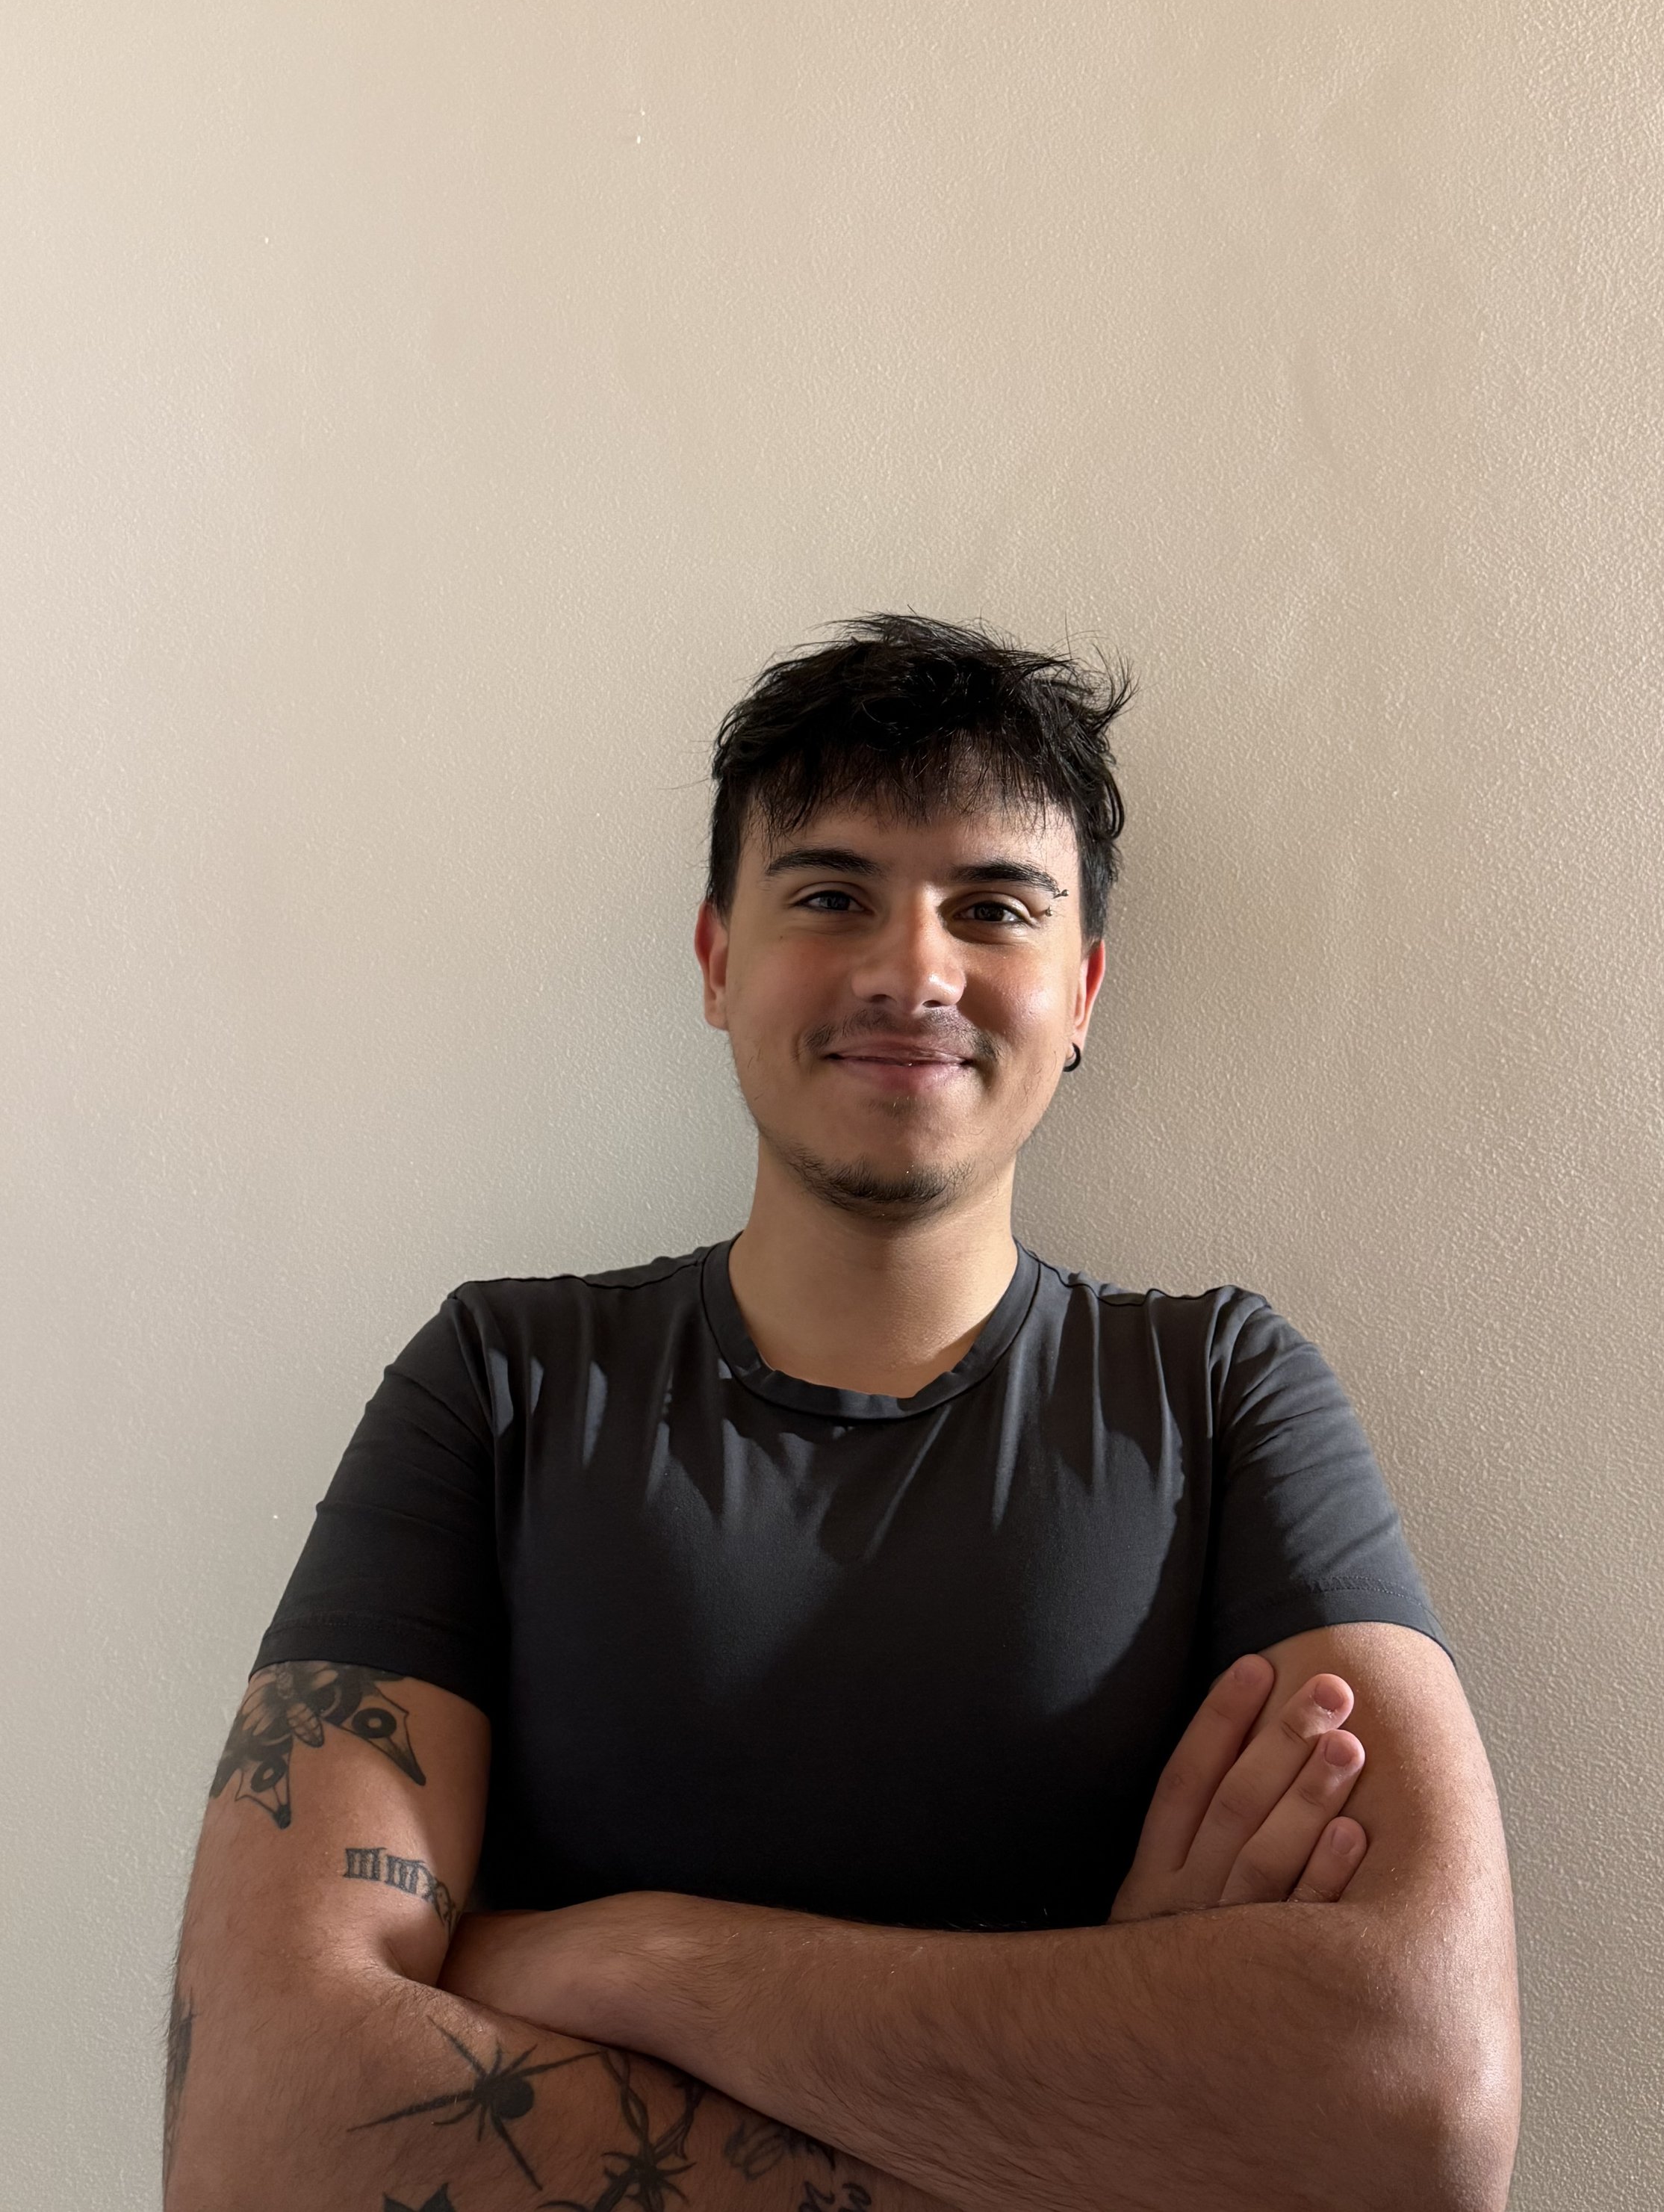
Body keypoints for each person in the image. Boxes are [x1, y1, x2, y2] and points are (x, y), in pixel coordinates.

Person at [166, 614, 1520, 2212]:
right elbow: (268, 2139)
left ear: (1078, 990)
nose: (909, 967)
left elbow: (1415, 2107)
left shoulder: (1217, 1395)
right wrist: (1113, 2113)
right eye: (828, 893)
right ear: (717, 959)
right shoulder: (501, 1382)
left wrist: (633, 1956)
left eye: (992, 905)